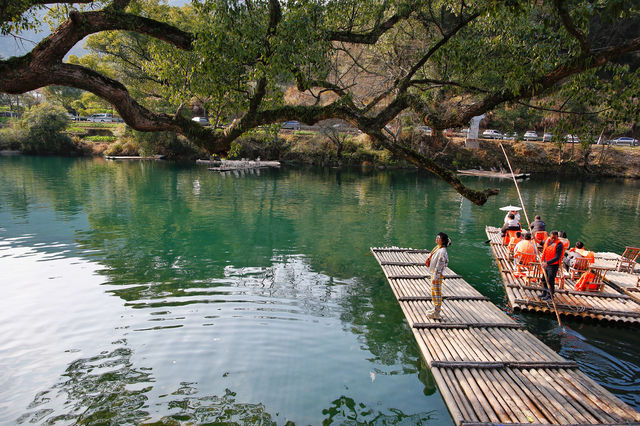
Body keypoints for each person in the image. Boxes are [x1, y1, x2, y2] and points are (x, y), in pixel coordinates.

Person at [425, 232, 451, 320]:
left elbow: (440, 265)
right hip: (435, 274)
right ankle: (435, 309)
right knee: (434, 292)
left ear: (442, 240)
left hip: (437, 275)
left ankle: (437, 312)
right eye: (436, 237)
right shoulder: (439, 248)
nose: (436, 239)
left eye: (438, 238)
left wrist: (435, 277)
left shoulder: (442, 251)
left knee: (437, 293)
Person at [541, 231, 563, 300]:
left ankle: (550, 295)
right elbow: (542, 243)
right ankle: (544, 293)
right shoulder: (548, 241)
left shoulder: (559, 245)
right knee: (544, 279)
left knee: (550, 280)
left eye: (554, 238)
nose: (553, 239)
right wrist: (535, 239)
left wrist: (547, 263)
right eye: (551, 238)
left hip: (553, 265)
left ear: (557, 237)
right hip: (546, 264)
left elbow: (557, 257)